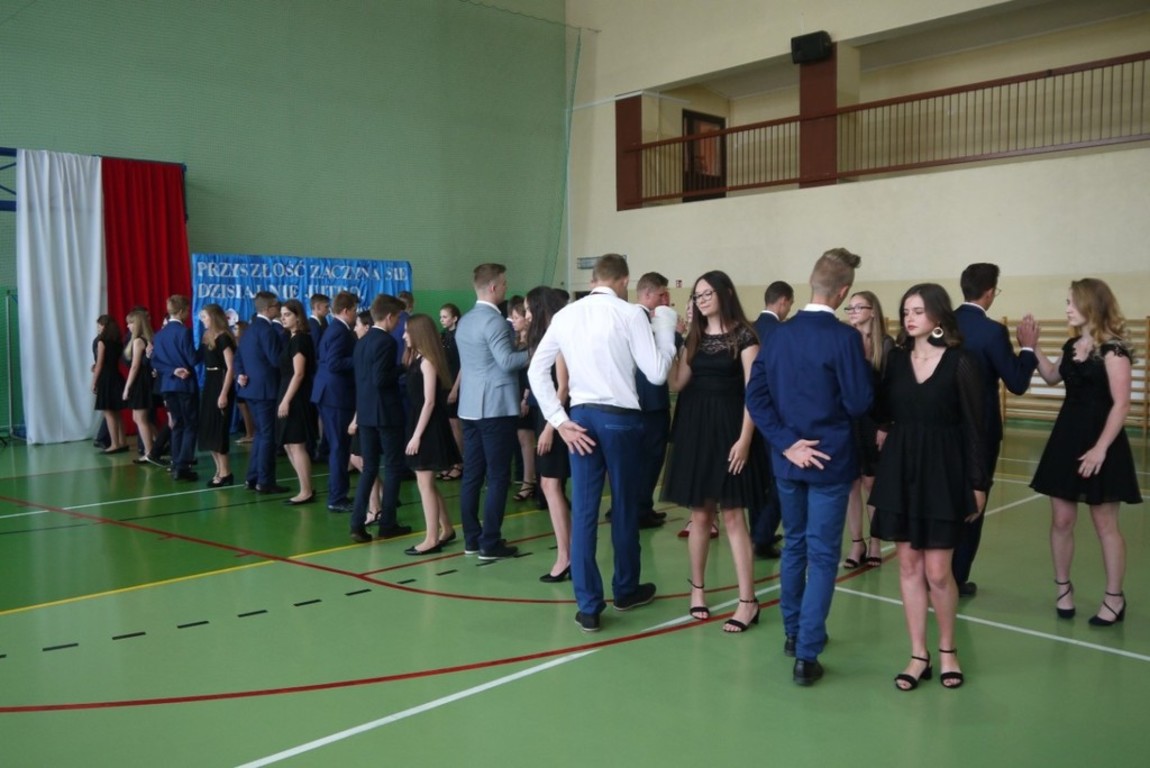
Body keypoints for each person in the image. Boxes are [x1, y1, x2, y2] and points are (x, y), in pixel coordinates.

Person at [529, 254, 677, 632]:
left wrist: (558, 421)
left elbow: (536, 370)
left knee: (584, 510)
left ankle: (588, 606)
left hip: (580, 419)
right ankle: (625, 590)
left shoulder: (566, 315)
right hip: (620, 419)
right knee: (624, 506)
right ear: (624, 281)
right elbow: (657, 374)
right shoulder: (630, 314)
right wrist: (664, 324)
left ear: (594, 278)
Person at [745, 247, 873, 686]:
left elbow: (756, 397)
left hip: (788, 462)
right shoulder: (844, 339)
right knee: (821, 555)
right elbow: (859, 402)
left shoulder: (778, 336)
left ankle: (792, 633)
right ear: (843, 291)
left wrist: (785, 443)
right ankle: (807, 652)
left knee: (795, 546)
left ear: (811, 284)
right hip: (830, 461)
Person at [869, 283, 987, 691]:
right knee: (908, 566)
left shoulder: (960, 361)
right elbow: (881, 412)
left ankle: (948, 649)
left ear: (938, 315)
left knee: (938, 572)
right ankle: (919, 654)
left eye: (918, 311)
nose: (910, 318)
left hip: (943, 471)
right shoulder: (896, 360)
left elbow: (975, 428)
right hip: (901, 467)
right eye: (906, 311)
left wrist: (978, 482)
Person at [1030, 278, 1142, 627]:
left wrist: (1100, 449)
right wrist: (1032, 347)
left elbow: (1121, 405)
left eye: (1072, 302)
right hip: (1066, 438)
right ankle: (1063, 588)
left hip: (1102, 441)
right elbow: (1052, 376)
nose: (1067, 308)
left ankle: (1114, 597)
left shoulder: (1114, 350)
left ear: (1091, 305)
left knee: (1104, 523)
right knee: (1061, 520)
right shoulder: (1070, 345)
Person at [663, 270, 770, 633]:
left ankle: (748, 601)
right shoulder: (694, 338)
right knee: (700, 515)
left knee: (735, 516)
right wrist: (672, 341)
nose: (702, 299)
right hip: (696, 432)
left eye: (708, 293)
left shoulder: (745, 335)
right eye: (698, 295)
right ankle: (697, 590)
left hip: (731, 432)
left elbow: (754, 392)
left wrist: (744, 439)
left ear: (726, 293)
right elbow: (678, 382)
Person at [952, 263, 1040, 597]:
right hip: (981, 432)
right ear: (989, 293)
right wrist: (1028, 348)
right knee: (973, 505)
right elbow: (1016, 382)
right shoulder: (991, 332)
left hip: (942, 429)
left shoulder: (941, 324)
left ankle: (935, 572)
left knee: (942, 499)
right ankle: (956, 578)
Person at [456, 264, 529, 560]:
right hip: (496, 407)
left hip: (470, 407)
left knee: (472, 475)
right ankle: (490, 541)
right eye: (504, 283)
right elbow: (507, 362)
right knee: (498, 476)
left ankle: (472, 538)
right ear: (494, 287)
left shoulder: (465, 321)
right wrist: (535, 351)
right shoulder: (496, 321)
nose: (506, 287)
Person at [350, 293, 413, 543]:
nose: (397, 324)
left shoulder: (362, 341)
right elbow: (381, 379)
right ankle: (388, 523)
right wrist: (403, 368)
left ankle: (357, 523)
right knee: (394, 467)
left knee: (369, 469)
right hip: (386, 413)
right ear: (389, 317)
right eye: (397, 318)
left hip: (366, 413)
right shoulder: (386, 342)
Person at [841, 290, 895, 570]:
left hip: (874, 420)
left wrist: (885, 425)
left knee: (872, 483)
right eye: (849, 308)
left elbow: (890, 389)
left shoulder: (885, 344)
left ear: (872, 311)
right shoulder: (844, 341)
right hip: (848, 421)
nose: (852, 312)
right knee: (851, 483)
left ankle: (875, 540)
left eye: (858, 307)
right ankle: (856, 542)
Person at [524, 286, 573, 582]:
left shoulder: (559, 338)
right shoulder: (542, 339)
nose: (526, 316)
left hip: (557, 420)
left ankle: (566, 556)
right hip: (548, 417)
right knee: (548, 484)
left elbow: (563, 387)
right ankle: (568, 552)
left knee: (551, 484)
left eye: (529, 310)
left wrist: (549, 428)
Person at [401, 314, 460, 554]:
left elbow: (430, 401)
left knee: (425, 483)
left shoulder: (427, 362)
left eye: (407, 331)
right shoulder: (415, 358)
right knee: (426, 482)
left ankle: (431, 538)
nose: (404, 335)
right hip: (419, 422)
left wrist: (417, 435)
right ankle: (446, 528)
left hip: (428, 426)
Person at [750, 280, 794, 558]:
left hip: (748, 416)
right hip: (773, 415)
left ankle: (757, 529)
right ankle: (762, 535)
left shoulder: (749, 329)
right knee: (778, 479)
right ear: (784, 301)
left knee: (756, 479)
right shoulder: (782, 332)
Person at [631, 271, 678, 530]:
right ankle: (639, 509)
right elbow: (661, 355)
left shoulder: (631, 318)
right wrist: (675, 334)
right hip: (650, 401)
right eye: (661, 294)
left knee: (640, 460)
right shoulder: (643, 321)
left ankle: (638, 506)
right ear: (647, 294)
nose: (665, 299)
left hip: (637, 402)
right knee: (650, 459)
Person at [311, 291, 359, 512]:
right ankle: (337, 497)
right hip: (336, 395)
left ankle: (338, 494)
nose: (356, 314)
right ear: (346, 310)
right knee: (340, 447)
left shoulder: (335, 328)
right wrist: (359, 358)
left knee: (338, 446)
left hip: (329, 393)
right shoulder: (340, 331)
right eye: (355, 310)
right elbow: (334, 363)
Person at [236, 291, 286, 494]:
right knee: (268, 437)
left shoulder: (249, 329)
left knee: (260, 434)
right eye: (277, 306)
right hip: (266, 390)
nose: (279, 309)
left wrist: (240, 374)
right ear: (268, 308)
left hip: (251, 389)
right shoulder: (267, 330)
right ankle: (265, 481)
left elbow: (238, 357)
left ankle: (253, 477)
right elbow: (276, 360)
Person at [151, 295, 201, 482]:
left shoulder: (159, 334)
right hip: (185, 385)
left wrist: (172, 370)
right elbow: (192, 359)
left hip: (168, 385)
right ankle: (183, 465)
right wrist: (204, 348)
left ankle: (176, 462)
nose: (188, 314)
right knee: (190, 425)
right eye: (187, 310)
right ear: (181, 311)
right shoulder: (184, 332)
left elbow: (155, 362)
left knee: (177, 425)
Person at [276, 298, 318, 504]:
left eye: (287, 315)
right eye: (282, 315)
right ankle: (305, 486)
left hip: (296, 396)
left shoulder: (300, 339)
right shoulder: (291, 339)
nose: (283, 318)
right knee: (288, 444)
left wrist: (286, 400)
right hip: (288, 392)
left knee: (296, 443)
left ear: (298, 316)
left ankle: (306, 490)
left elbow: (299, 373)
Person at [348, 310, 383, 523]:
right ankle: (378, 502)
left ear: (367, 327)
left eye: (358, 325)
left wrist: (356, 418)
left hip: (369, 413)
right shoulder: (360, 347)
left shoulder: (371, 349)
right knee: (359, 460)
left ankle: (375, 507)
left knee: (363, 461)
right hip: (363, 409)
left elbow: (369, 388)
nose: (355, 328)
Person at [197, 303, 237, 487]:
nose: (202, 320)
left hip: (220, 384)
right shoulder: (207, 337)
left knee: (219, 429)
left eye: (205, 317)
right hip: (209, 383)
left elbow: (230, 368)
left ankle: (226, 472)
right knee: (208, 429)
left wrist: (224, 393)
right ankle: (219, 469)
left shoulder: (224, 338)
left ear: (213, 317)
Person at [508, 295, 537, 503]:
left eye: (517, 317)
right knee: (522, 439)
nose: (514, 321)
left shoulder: (532, 344)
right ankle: (529, 479)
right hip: (517, 393)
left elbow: (532, 374)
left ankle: (529, 482)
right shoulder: (517, 342)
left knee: (526, 440)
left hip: (527, 395)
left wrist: (525, 398)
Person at [122, 309, 158, 465]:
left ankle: (150, 452)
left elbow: (135, 366)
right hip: (143, 381)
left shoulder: (138, 341)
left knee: (141, 418)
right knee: (139, 418)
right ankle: (155, 448)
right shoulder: (146, 339)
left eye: (130, 323)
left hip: (141, 382)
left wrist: (127, 387)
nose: (128, 326)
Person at [91, 315, 127, 454]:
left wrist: (94, 382)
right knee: (117, 412)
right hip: (116, 376)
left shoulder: (102, 342)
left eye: (99, 325)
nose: (98, 328)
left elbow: (100, 364)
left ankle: (114, 444)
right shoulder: (117, 342)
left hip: (106, 379)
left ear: (104, 326)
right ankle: (122, 442)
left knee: (108, 412)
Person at [437, 303, 465, 481]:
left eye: (445, 317)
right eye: (441, 317)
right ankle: (450, 461)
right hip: (444, 385)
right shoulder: (443, 336)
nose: (442, 320)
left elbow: (463, 365)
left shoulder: (460, 337)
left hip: (456, 384)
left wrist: (455, 389)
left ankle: (459, 464)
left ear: (455, 318)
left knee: (456, 426)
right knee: (448, 425)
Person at [232, 321, 256, 445]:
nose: (234, 331)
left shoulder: (244, 343)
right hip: (238, 380)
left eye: (236, 329)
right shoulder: (236, 343)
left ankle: (250, 433)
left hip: (245, 380)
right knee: (241, 406)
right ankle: (249, 432)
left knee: (245, 407)